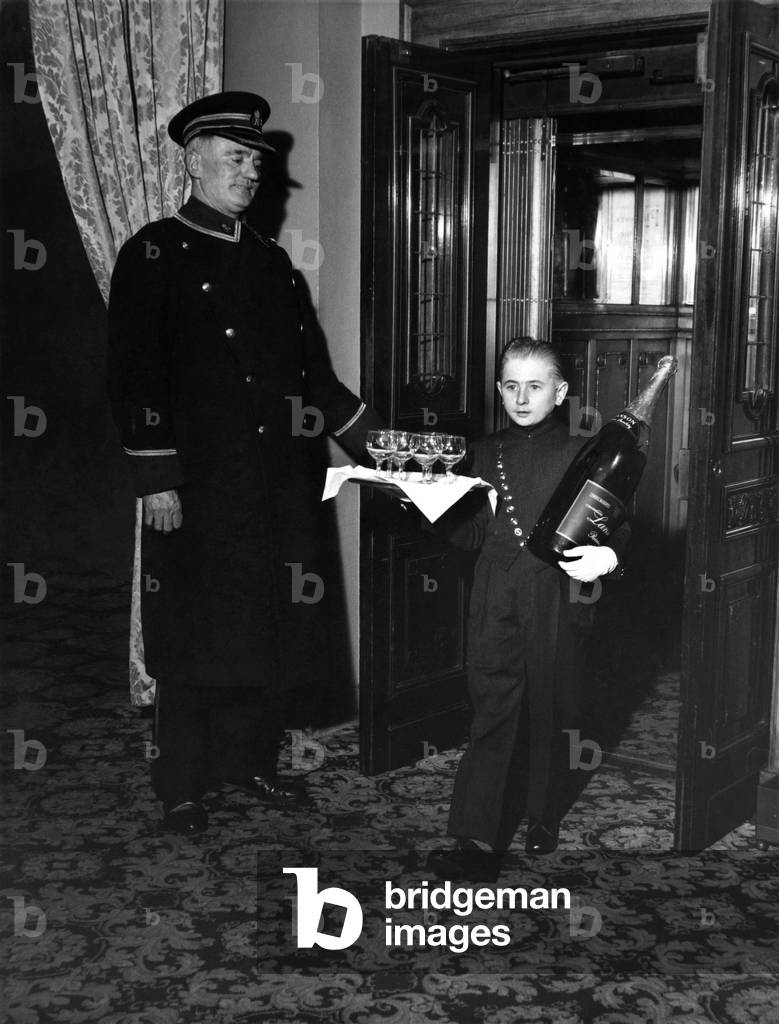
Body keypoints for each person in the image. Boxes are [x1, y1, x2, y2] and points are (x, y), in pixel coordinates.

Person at [107, 92, 381, 835]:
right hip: (195, 487)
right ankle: (183, 782)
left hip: (276, 486)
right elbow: (134, 375)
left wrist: (388, 451)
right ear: (194, 163)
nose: (251, 173)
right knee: (194, 636)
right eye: (236, 159)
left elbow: (315, 384)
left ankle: (250, 762)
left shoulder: (273, 266)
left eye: (256, 161)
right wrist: (156, 476)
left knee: (265, 630)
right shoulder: (152, 252)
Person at [427, 337, 629, 881]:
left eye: (535, 386)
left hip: (553, 595)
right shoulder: (480, 451)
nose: (522, 396)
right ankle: (474, 833)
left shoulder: (579, 451)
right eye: (511, 385)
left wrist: (608, 557)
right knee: (492, 705)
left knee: (549, 710)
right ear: (499, 389)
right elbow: (472, 535)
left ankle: (542, 815)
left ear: (560, 393)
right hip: (494, 595)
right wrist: (432, 508)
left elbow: (616, 522)